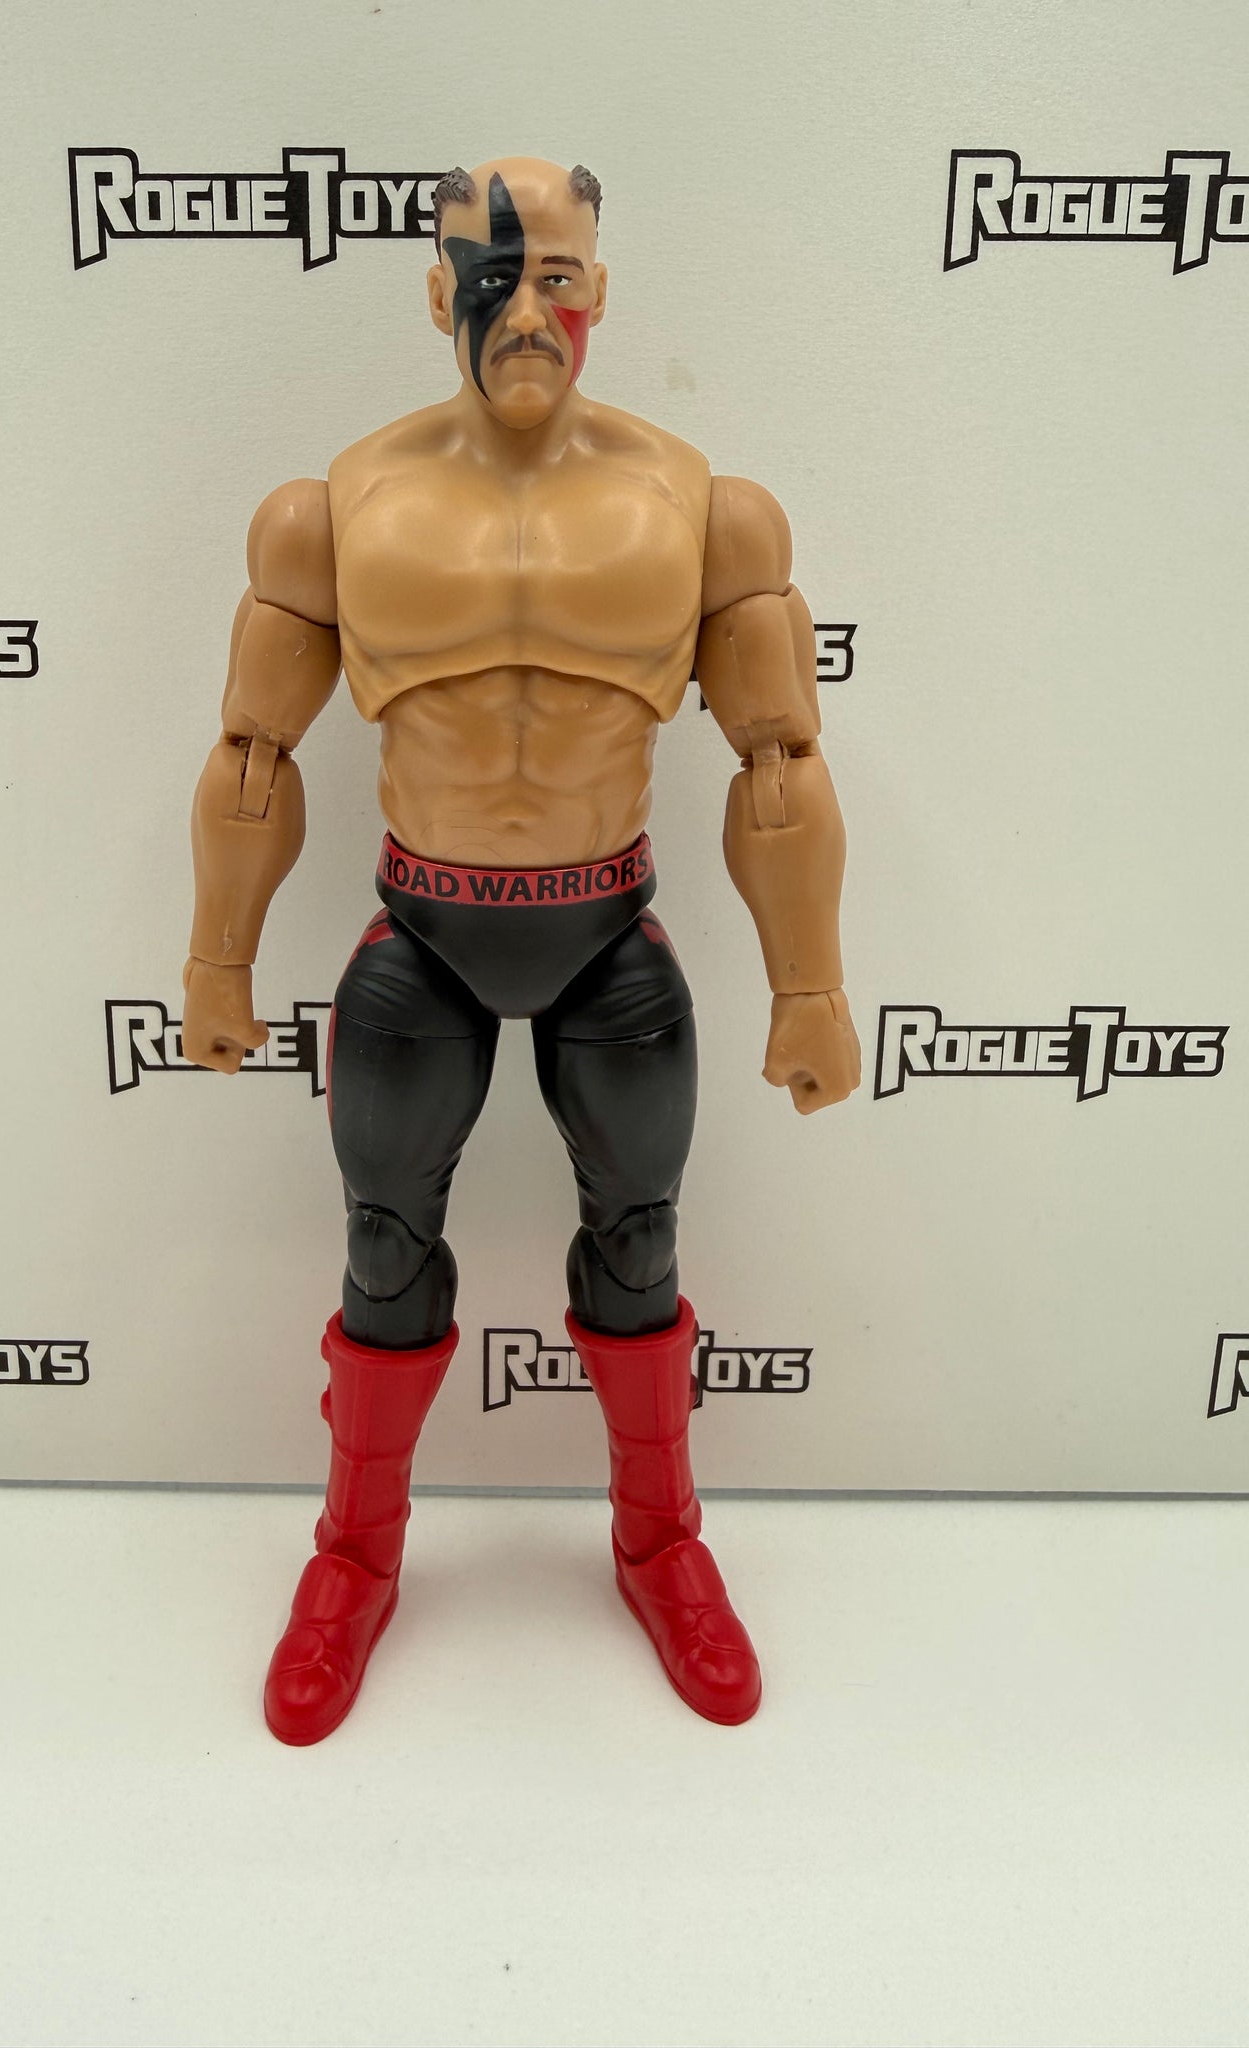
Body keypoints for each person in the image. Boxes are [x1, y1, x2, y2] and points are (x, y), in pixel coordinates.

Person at [182, 156, 860, 1745]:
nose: (526, 309)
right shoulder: (336, 509)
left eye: (555, 275)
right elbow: (252, 753)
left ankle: (662, 1545)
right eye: (491, 276)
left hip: (606, 930)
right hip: (421, 933)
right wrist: (218, 964)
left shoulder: (702, 510)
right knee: (384, 1257)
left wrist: (811, 987)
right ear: (437, 291)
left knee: (640, 1251)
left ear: (600, 291)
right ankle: (355, 1558)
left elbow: (780, 761)